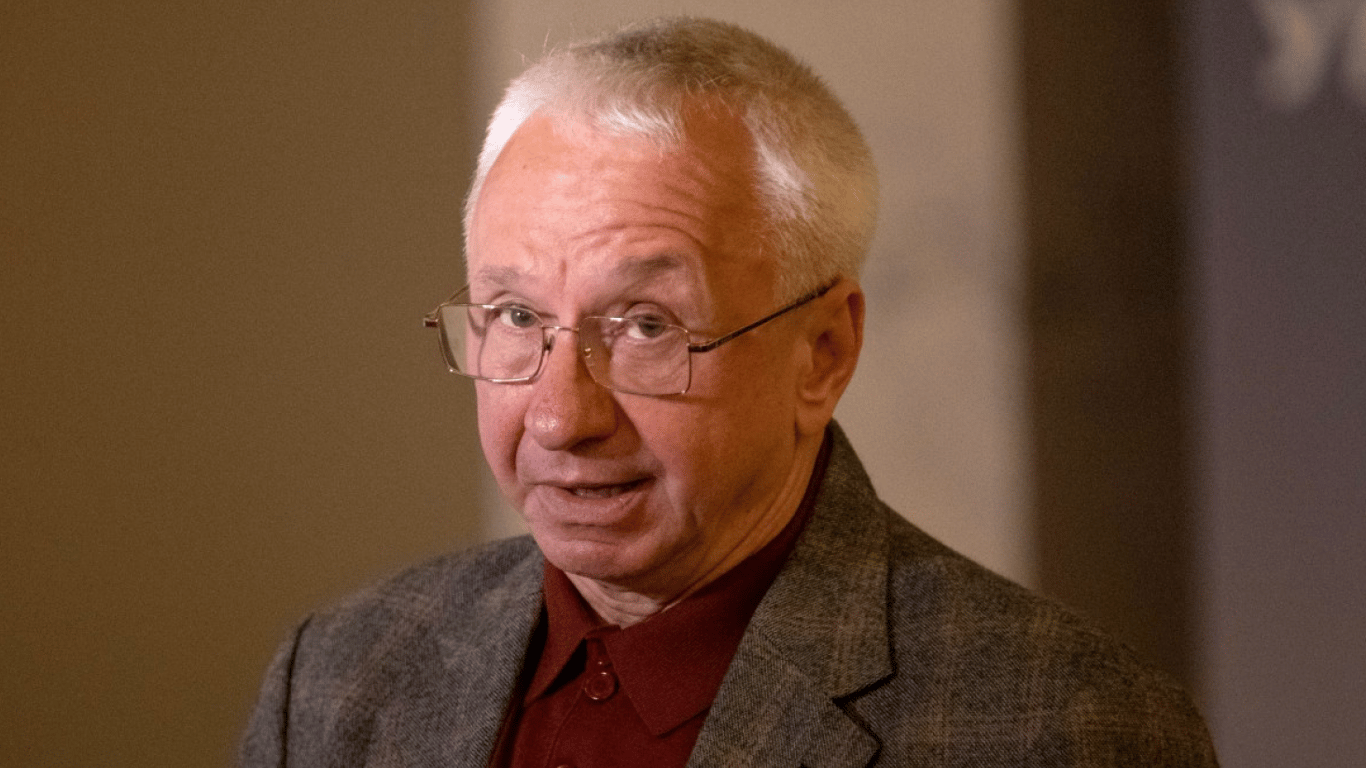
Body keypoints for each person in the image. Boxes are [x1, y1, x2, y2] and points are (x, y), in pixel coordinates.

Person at [241, 16, 1218, 767]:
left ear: (822, 352)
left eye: (645, 326)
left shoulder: (1065, 727)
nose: (559, 417)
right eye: (516, 315)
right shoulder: (339, 679)